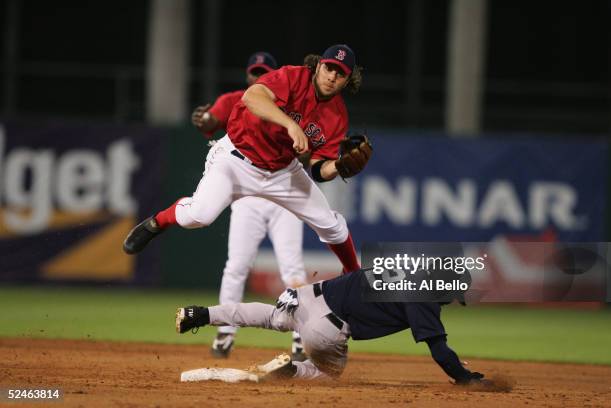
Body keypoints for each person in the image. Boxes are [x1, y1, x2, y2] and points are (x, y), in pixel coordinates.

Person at [124, 45, 367, 301]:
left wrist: (338, 167)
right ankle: (156, 222)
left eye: (340, 73)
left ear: (348, 80)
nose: (331, 76)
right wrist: (290, 124)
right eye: (329, 67)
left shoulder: (337, 115)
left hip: (283, 171)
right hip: (237, 159)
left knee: (333, 226)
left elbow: (319, 169)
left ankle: (353, 275)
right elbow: (253, 97)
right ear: (318, 65)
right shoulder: (292, 77)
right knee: (198, 215)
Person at [174, 269, 490, 384]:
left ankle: (200, 314)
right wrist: (463, 377)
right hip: (325, 329)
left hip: (304, 296)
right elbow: (438, 350)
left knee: (270, 316)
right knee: (328, 373)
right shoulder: (424, 299)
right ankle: (289, 371)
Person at [190, 51, 307, 360]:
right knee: (236, 266)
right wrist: (205, 121)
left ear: (275, 77)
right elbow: (212, 120)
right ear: (248, 76)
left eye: (264, 72)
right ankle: (225, 332)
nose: (259, 78)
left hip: (283, 196)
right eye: (255, 73)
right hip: (247, 198)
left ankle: (300, 337)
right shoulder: (235, 100)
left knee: (292, 268)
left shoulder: (292, 106)